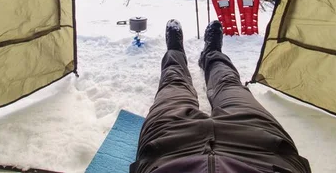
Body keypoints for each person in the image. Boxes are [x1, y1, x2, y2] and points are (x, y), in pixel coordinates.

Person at [130, 20, 311, 173]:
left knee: (173, 85)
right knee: (229, 83)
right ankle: (212, 54)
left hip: (168, 150)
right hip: (262, 147)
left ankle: (176, 53)